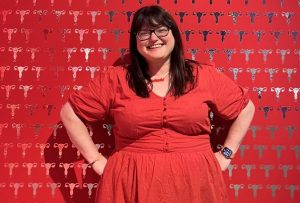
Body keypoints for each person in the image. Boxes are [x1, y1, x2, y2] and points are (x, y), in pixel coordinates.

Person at [60, 5, 255, 203]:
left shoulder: (202, 76)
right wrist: (95, 159)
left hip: (197, 182)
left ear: (174, 34)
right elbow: (70, 114)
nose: (154, 38)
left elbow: (246, 108)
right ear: (135, 41)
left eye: (161, 29)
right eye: (144, 33)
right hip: (130, 181)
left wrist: (226, 154)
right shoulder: (116, 79)